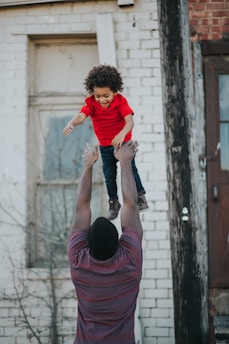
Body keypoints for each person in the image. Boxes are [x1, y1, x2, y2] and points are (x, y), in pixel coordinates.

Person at [67, 141, 143, 344]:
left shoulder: (78, 261)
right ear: (119, 243)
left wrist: (88, 165)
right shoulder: (130, 262)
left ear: (87, 246)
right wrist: (125, 163)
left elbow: (81, 207)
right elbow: (131, 206)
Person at [63, 64, 148, 220]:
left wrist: (122, 134)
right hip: (105, 146)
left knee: (131, 170)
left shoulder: (121, 102)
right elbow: (81, 116)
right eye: (98, 96)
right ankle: (114, 203)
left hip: (123, 144)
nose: (102, 99)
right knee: (109, 176)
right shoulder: (91, 103)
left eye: (106, 95)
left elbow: (129, 122)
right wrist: (71, 123)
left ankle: (140, 196)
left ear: (115, 91)